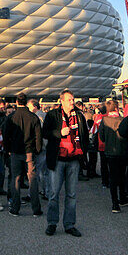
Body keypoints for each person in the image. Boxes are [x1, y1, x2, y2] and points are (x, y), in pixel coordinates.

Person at [42, 90, 89, 237]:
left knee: (72, 194)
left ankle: (69, 224)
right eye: (69, 100)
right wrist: (59, 133)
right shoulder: (52, 115)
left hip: (73, 160)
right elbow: (45, 133)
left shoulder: (79, 116)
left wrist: (83, 154)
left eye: (73, 99)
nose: (72, 102)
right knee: (54, 193)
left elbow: (85, 136)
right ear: (61, 101)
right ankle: (52, 223)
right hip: (58, 160)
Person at [3, 93, 42, 216]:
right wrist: (37, 150)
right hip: (29, 152)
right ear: (26, 102)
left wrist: (8, 149)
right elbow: (38, 137)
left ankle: (15, 208)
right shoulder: (33, 117)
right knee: (33, 180)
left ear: (16, 102)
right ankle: (36, 209)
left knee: (16, 179)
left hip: (15, 152)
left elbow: (5, 136)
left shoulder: (11, 117)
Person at [98, 99, 128, 212]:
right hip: (122, 152)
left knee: (112, 177)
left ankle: (115, 203)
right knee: (122, 176)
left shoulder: (104, 120)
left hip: (109, 152)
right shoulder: (123, 120)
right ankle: (122, 197)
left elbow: (102, 137)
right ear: (117, 108)